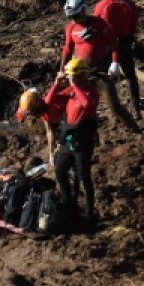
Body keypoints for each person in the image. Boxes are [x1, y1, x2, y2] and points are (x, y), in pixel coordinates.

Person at [59, 0, 140, 134]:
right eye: (71, 17)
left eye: (77, 16)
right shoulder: (71, 28)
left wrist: (114, 63)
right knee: (75, 107)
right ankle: (85, 138)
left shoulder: (99, 24)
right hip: (79, 74)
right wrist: (61, 71)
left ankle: (137, 131)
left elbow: (114, 44)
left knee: (115, 107)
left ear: (83, 11)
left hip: (100, 72)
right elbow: (67, 49)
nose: (74, 20)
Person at [46, 58, 100, 220]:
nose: (72, 80)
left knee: (83, 176)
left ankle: (89, 213)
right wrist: (57, 83)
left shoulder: (91, 91)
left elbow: (86, 104)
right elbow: (49, 101)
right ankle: (69, 205)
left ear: (82, 76)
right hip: (68, 139)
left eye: (74, 77)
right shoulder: (69, 92)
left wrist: (75, 85)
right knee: (60, 171)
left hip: (83, 141)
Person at [92, 0, 142, 120]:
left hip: (107, 46)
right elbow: (133, 28)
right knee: (131, 77)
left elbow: (96, 27)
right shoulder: (130, 5)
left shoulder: (101, 5)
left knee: (105, 79)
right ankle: (137, 109)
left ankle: (114, 108)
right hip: (125, 44)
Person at [15, 86, 63, 167]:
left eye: (33, 113)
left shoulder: (54, 104)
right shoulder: (43, 112)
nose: (35, 116)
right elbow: (49, 132)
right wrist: (51, 154)